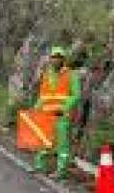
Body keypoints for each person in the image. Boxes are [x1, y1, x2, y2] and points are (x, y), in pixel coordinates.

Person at [33, 46, 81, 178]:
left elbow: (76, 95)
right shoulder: (47, 75)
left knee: (62, 145)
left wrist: (64, 108)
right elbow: (43, 95)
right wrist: (35, 110)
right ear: (50, 59)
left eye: (58, 57)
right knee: (43, 141)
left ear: (63, 59)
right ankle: (40, 166)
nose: (55, 60)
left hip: (62, 116)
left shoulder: (71, 75)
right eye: (54, 57)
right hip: (46, 114)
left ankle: (61, 171)